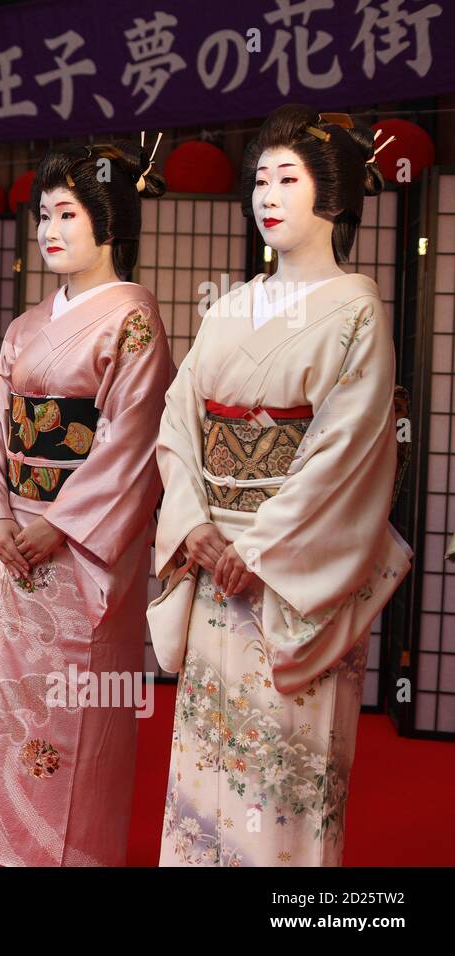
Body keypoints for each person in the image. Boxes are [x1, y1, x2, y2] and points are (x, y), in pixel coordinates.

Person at [152, 104, 413, 866]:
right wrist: (194, 522)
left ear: (331, 198)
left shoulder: (356, 309)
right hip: (214, 558)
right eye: (259, 179)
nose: (266, 194)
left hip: (291, 573)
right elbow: (178, 419)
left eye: (286, 178)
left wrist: (258, 548)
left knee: (282, 762)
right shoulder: (228, 307)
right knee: (209, 752)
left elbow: (347, 451)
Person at [0, 137, 174, 865]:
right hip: (22, 536)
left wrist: (56, 522)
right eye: (44, 214)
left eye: (68, 214)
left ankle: (74, 852)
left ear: (108, 222)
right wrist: (3, 515)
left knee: (79, 703)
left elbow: (130, 440)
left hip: (79, 548)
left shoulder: (132, 320)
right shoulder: (23, 329)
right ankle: (11, 842)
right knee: (18, 698)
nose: (49, 230)